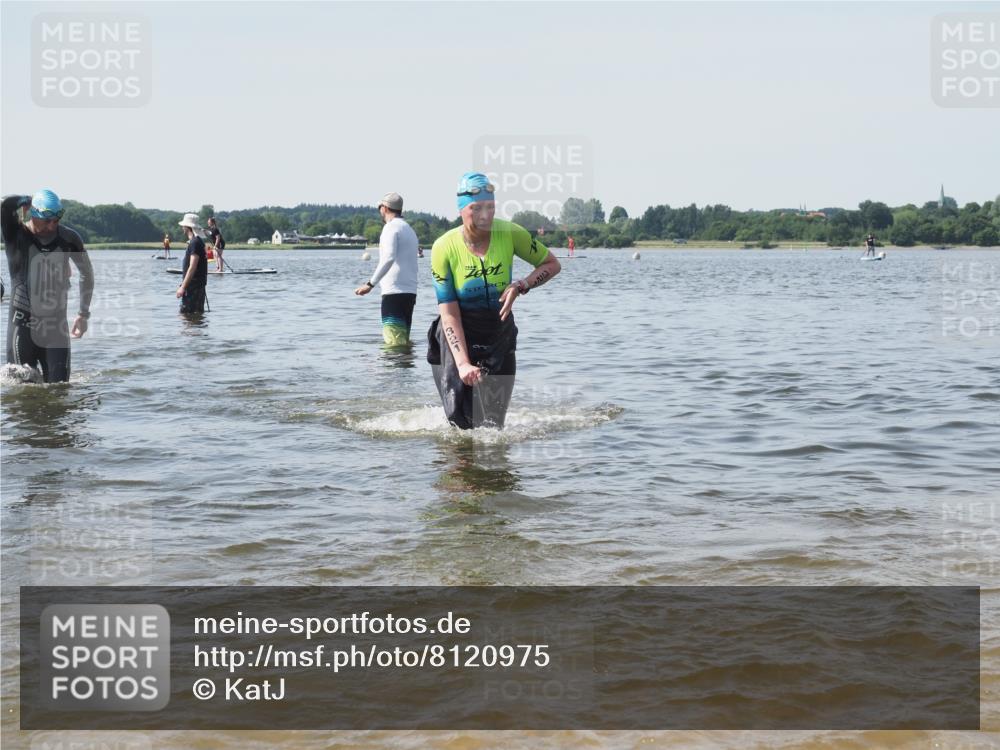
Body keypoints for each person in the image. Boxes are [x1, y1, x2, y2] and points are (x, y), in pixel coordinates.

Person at [427, 172, 561, 429]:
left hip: (498, 334)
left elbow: (551, 264)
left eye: (490, 207)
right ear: (461, 210)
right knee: (460, 424)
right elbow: (449, 312)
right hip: (457, 332)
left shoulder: (510, 233)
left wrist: (521, 285)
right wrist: (463, 362)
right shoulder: (444, 247)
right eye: (476, 208)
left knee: (493, 426)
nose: (485, 215)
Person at [2, 189, 94, 383]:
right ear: (33, 213)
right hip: (21, 329)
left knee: (60, 391)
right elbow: (5, 204)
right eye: (47, 220)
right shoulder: (15, 234)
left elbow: (87, 274)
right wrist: (25, 199)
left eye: (57, 220)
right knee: (22, 396)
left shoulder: (69, 238)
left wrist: (83, 314)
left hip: (56, 329)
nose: (53, 225)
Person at [354, 192, 420, 346]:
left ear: (384, 208)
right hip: (410, 292)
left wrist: (370, 284)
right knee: (403, 341)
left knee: (393, 344)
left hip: (394, 292)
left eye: (380, 207)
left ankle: (392, 370)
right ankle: (406, 369)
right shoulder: (409, 229)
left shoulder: (390, 228)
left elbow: (389, 257)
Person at [176, 213, 208, 314]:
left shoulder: (194, 243)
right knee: (197, 318)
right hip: (198, 285)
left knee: (186, 317)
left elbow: (192, 267)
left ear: (187, 227)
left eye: (183, 226)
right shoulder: (198, 242)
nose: (182, 228)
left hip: (193, 287)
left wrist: (183, 287)